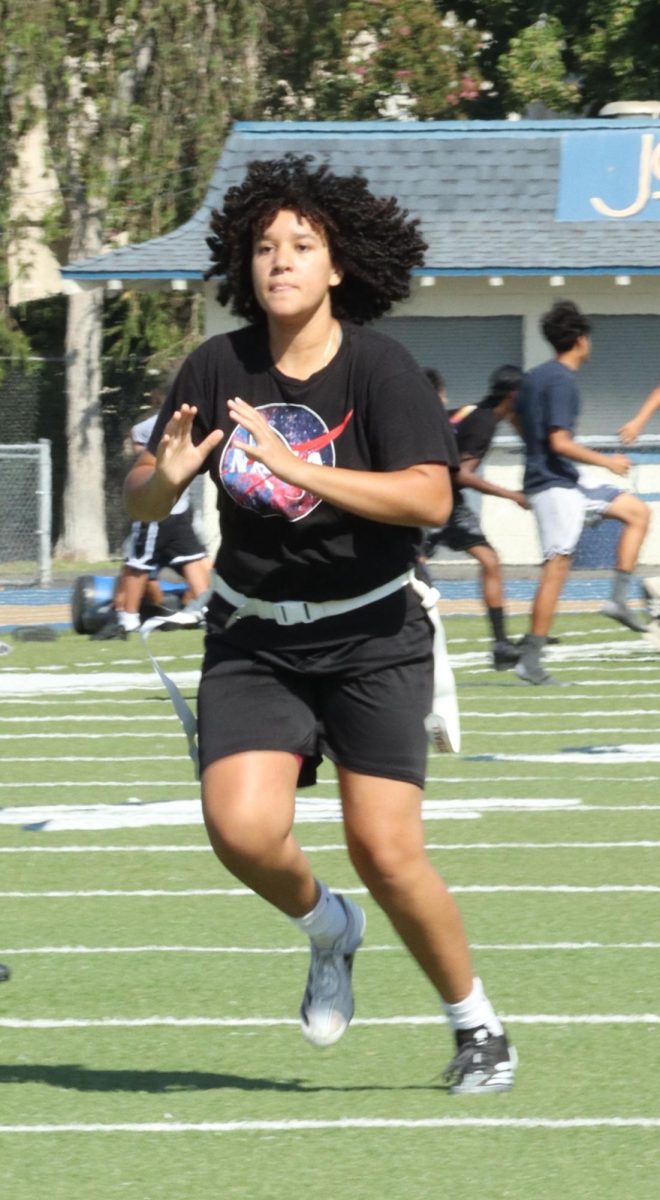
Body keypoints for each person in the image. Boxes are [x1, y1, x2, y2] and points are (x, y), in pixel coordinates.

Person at [124, 153, 516, 1094]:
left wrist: (302, 471)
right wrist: (166, 480)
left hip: (373, 636)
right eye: (265, 246)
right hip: (256, 636)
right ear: (243, 264)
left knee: (386, 848)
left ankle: (478, 1026)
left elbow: (428, 499)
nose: (282, 260)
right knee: (241, 830)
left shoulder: (378, 367)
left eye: (302, 245)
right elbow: (142, 499)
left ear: (338, 266)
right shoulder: (217, 365)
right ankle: (328, 927)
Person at [515, 300, 651, 686]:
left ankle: (618, 598)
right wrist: (608, 462)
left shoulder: (534, 377)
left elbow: (517, 419)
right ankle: (531, 661)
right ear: (579, 340)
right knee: (556, 571)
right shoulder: (561, 381)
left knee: (637, 512)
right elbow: (559, 441)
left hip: (565, 480)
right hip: (555, 486)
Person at [423, 365, 528, 670]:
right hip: (437, 502)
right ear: (513, 395)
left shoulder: (477, 413)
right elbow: (463, 475)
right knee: (412, 570)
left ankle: (501, 645)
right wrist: (512, 495)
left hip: (443, 498)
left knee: (490, 561)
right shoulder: (484, 423)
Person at [110, 400, 212, 635]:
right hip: (155, 509)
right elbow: (137, 436)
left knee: (194, 558)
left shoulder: (205, 421)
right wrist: (151, 460)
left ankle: (206, 610)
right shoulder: (163, 422)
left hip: (180, 510)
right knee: (140, 563)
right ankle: (129, 616)